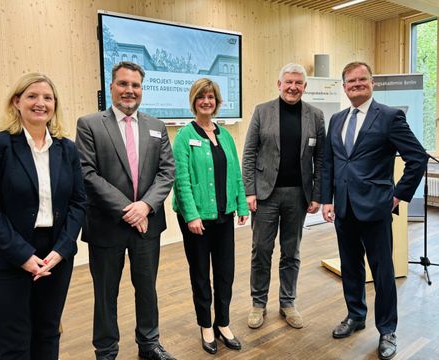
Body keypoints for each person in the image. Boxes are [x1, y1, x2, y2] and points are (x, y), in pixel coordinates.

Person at [0, 72, 87, 360]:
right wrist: (22, 255)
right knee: (15, 345)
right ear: (16, 102)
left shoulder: (67, 148)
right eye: (32, 96)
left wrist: (62, 248)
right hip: (2, 260)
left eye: (48, 98)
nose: (40, 103)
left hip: (53, 257)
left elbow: (79, 203)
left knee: (48, 334)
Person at [321, 61, 427, 360]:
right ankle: (355, 316)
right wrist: (327, 199)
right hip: (343, 207)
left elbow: (416, 158)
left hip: (376, 207)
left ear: (372, 83)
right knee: (351, 267)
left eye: (361, 79)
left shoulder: (390, 117)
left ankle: (387, 330)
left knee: (382, 271)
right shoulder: (338, 120)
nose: (356, 84)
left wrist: (397, 196)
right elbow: (331, 162)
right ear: (344, 87)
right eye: (350, 81)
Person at [75, 62, 175, 360]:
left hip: (148, 224)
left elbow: (167, 172)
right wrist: (127, 209)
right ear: (112, 87)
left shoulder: (156, 126)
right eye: (123, 84)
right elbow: (87, 173)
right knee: (106, 294)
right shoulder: (90, 124)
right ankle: (106, 351)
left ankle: (149, 344)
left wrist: (145, 206)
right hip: (106, 225)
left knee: (147, 288)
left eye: (135, 85)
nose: (129, 90)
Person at [242, 63, 325, 330]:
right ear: (279, 84)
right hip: (266, 195)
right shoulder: (262, 111)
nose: (293, 87)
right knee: (261, 251)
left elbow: (321, 159)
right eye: (288, 82)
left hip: (298, 196)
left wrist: (317, 194)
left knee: (292, 252)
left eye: (298, 83)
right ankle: (258, 304)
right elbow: (249, 154)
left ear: (305, 86)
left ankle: (288, 302)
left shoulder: (316, 115)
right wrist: (249, 191)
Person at [172, 78, 249, 355]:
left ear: (216, 102)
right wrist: (191, 216)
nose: (207, 101)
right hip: (196, 221)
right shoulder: (184, 135)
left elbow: (235, 174)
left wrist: (241, 206)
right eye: (202, 97)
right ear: (194, 101)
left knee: (225, 273)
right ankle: (206, 325)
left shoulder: (225, 134)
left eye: (211, 97)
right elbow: (180, 179)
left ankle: (223, 322)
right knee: (201, 275)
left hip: (224, 216)